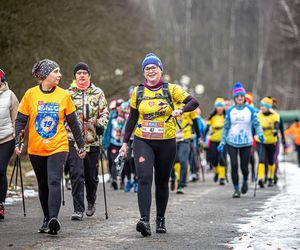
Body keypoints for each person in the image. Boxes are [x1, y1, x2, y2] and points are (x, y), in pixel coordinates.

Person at [119, 53, 199, 236]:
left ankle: (160, 219)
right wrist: (125, 143)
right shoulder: (137, 93)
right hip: (143, 140)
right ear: (143, 73)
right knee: (144, 178)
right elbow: (132, 119)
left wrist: (181, 109)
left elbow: (194, 102)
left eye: (154, 67)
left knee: (162, 182)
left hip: (167, 141)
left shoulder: (171, 89)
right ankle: (144, 220)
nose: (151, 71)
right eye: (147, 68)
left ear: (160, 70)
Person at [15, 59, 86, 235]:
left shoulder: (64, 95)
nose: (59, 75)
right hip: (36, 148)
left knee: (54, 180)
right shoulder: (30, 95)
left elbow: (74, 123)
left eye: (59, 71)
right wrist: (18, 140)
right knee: (43, 184)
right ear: (45, 75)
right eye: (56, 71)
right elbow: (21, 120)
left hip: (58, 146)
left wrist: (81, 145)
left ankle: (54, 218)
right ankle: (46, 219)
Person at [66, 62, 109, 220]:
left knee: (91, 176)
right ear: (75, 76)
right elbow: (62, 113)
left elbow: (105, 112)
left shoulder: (98, 93)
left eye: (84, 73)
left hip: (92, 140)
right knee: (76, 174)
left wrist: (101, 125)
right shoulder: (68, 93)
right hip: (73, 141)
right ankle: (78, 209)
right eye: (79, 73)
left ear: (89, 75)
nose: (82, 75)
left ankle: (91, 200)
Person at [218, 82, 263, 198]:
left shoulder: (251, 110)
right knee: (233, 165)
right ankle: (236, 188)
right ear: (234, 98)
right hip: (231, 142)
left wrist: (260, 134)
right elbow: (226, 127)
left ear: (244, 98)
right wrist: (222, 141)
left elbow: (257, 124)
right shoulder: (230, 111)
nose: (239, 98)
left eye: (241, 96)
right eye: (237, 96)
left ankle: (245, 180)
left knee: (244, 166)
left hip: (246, 142)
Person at [0, 69, 19, 220]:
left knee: (0, 169)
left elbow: (17, 119)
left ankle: (0, 204)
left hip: (6, 138)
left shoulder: (10, 95)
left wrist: (18, 139)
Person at [172, 96, 201, 194]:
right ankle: (173, 178)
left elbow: (196, 122)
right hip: (172, 138)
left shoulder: (188, 107)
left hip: (185, 137)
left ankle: (181, 184)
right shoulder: (170, 105)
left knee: (183, 160)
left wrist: (199, 136)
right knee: (171, 162)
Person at [256, 97, 280, 187]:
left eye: (264, 106)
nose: (262, 108)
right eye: (261, 106)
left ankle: (270, 177)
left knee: (271, 160)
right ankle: (261, 178)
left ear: (268, 107)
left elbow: (277, 124)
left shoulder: (274, 115)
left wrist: (275, 130)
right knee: (261, 159)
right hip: (261, 140)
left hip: (271, 140)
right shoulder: (258, 115)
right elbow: (255, 125)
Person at [103, 98, 125, 190]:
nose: (120, 108)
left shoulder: (128, 117)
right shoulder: (112, 116)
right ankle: (114, 179)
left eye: (121, 106)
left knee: (124, 162)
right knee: (113, 160)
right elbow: (107, 130)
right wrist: (105, 142)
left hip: (124, 143)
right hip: (113, 143)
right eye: (118, 106)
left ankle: (123, 181)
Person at [204, 97, 227, 185]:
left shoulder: (226, 116)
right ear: (216, 107)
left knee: (222, 158)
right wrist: (203, 137)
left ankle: (222, 177)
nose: (220, 108)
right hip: (213, 140)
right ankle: (217, 171)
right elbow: (206, 128)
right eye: (218, 106)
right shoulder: (212, 117)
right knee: (213, 159)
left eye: (221, 106)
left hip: (223, 141)